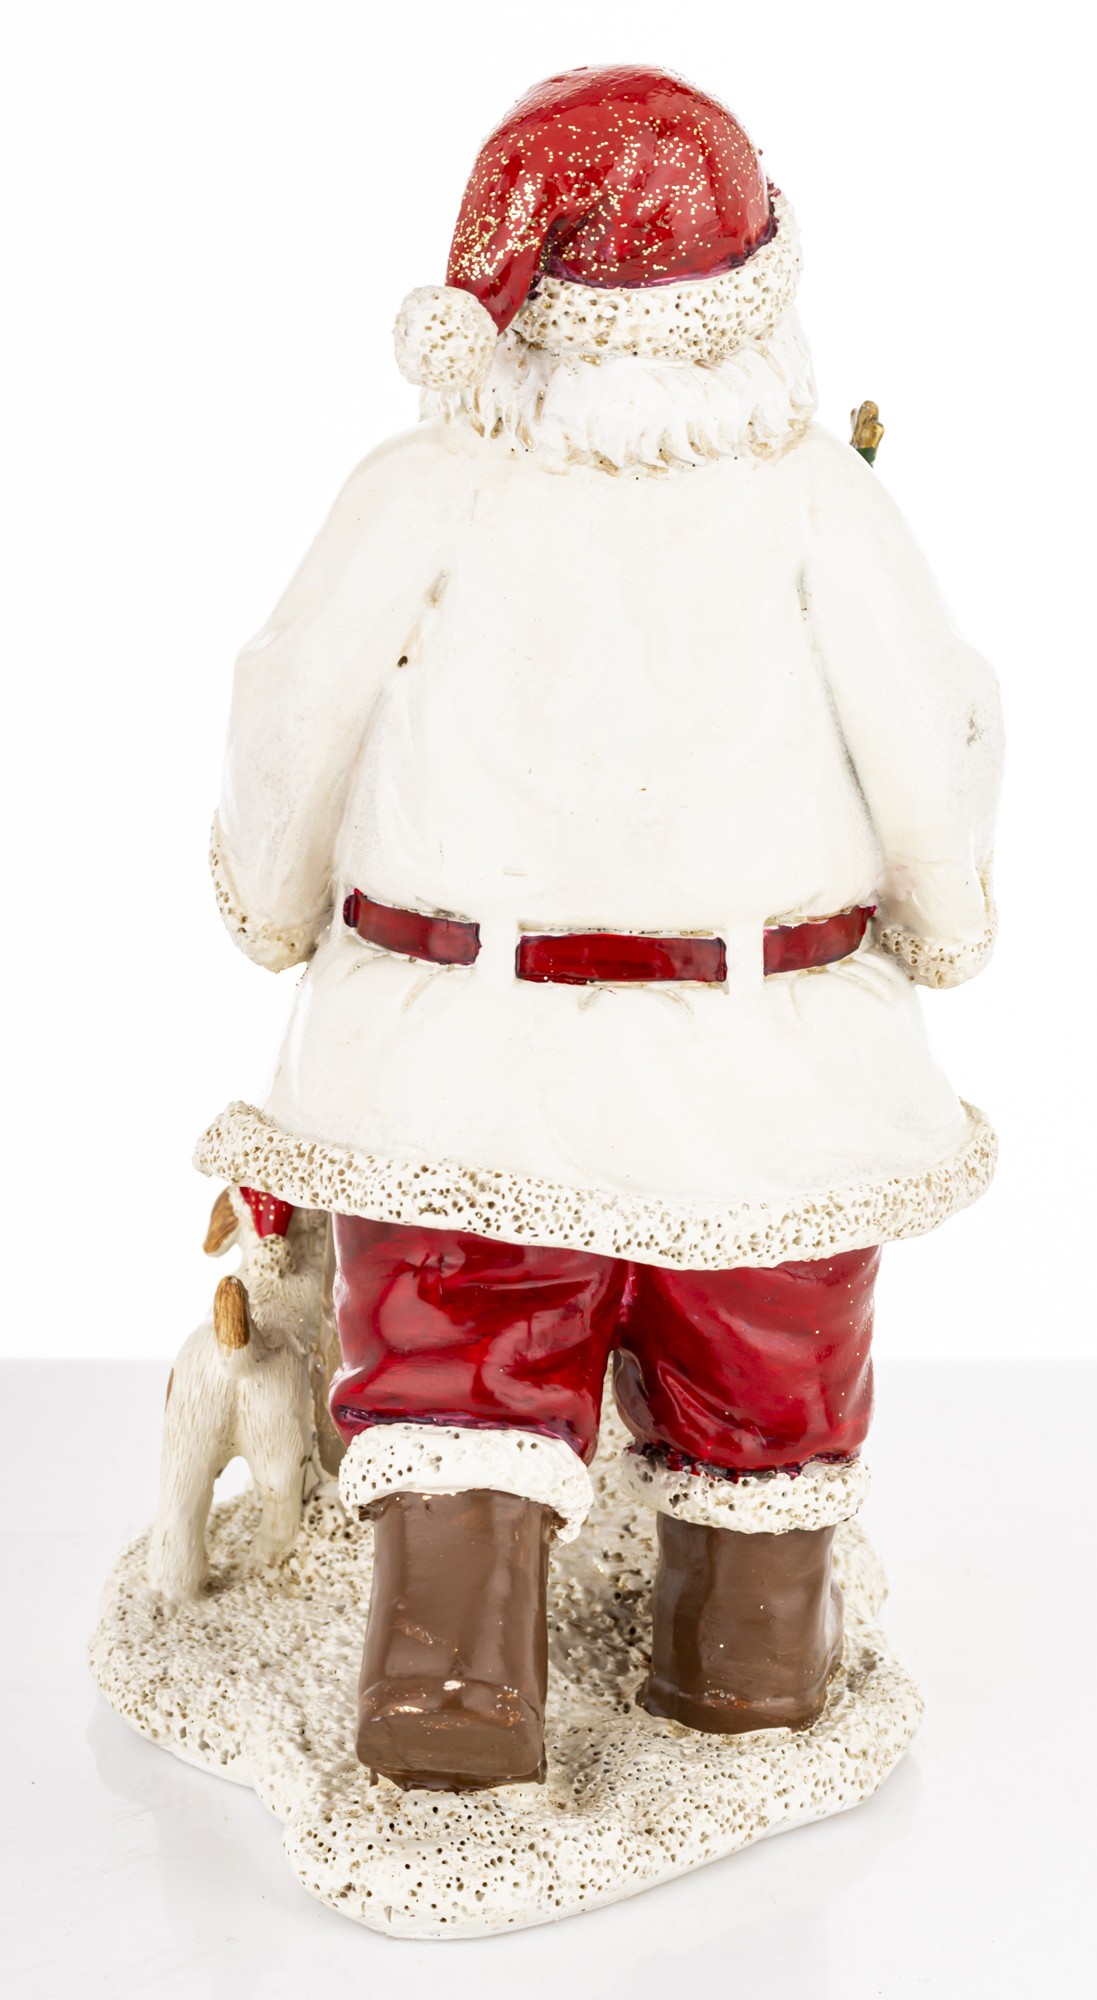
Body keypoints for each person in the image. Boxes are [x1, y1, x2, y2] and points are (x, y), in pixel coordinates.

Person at [197, 64, 1002, 1792]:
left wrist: (271, 904)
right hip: (765, 1062)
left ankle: (448, 1685)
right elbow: (930, 731)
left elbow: (291, 707)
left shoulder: (422, 488)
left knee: (458, 1369)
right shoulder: (816, 498)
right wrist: (944, 925)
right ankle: (747, 1668)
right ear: (745, 310)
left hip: (454, 1054)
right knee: (764, 1377)